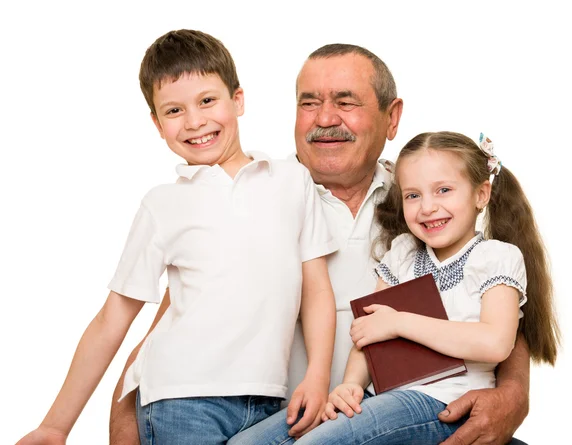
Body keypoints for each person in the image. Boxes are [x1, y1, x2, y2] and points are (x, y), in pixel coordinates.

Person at [111, 44, 534, 445]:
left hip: (407, 419)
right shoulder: (263, 196)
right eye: (309, 103)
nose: (325, 118)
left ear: (392, 117)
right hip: (290, 421)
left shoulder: (426, 199)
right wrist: (124, 419)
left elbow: (494, 310)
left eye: (346, 102)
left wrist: (513, 392)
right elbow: (172, 322)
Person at [15, 29, 338, 445]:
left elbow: (316, 291)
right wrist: (55, 426)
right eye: (173, 110)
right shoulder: (162, 205)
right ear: (156, 123)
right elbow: (112, 320)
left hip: (269, 399)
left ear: (237, 100)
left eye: (207, 101)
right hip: (181, 399)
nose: (195, 121)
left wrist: (317, 376)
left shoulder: (292, 181)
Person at [233, 131, 561, 444]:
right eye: (413, 195)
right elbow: (369, 330)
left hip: (443, 402)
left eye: (444, 190)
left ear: (481, 194)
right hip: (384, 395)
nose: (428, 207)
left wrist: (400, 322)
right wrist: (350, 384)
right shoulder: (403, 252)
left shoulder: (496, 257)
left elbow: (495, 343)